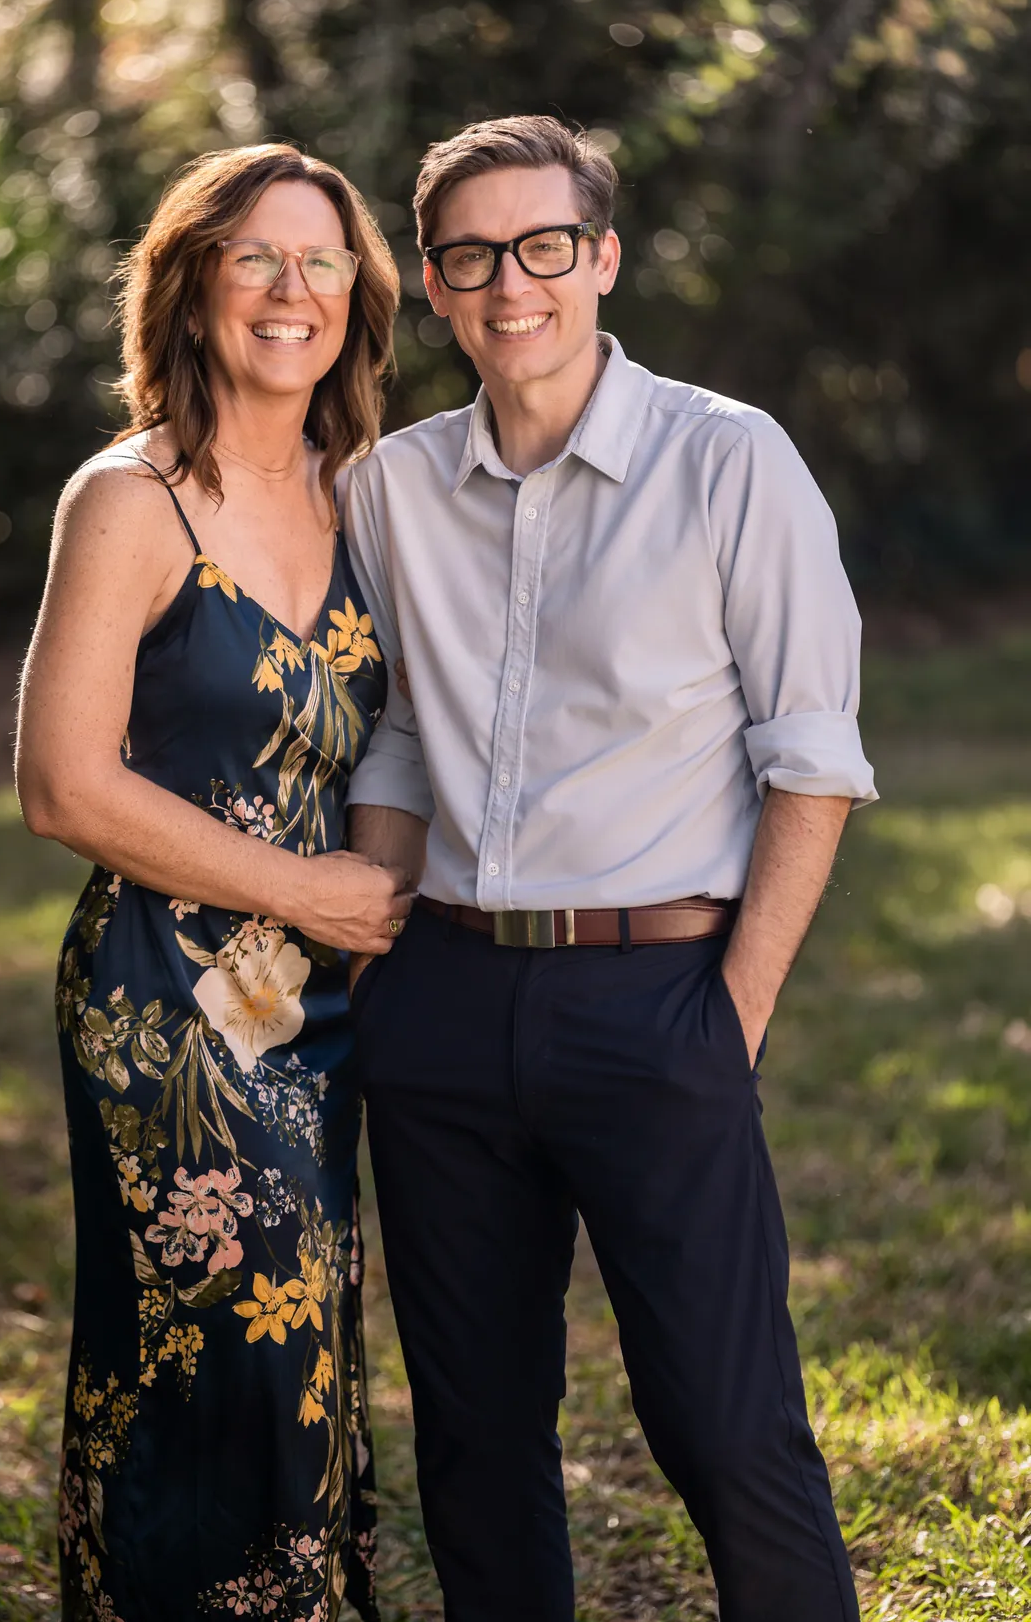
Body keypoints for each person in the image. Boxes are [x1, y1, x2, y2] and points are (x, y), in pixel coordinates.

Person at [344, 114, 876, 1622]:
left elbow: (813, 758)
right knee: (475, 1436)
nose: (512, 284)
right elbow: (393, 734)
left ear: (602, 258)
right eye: (471, 256)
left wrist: (733, 1016)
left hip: (660, 998)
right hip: (440, 1004)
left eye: (544, 246)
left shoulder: (729, 460)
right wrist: (378, 940)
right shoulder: (389, 490)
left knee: (723, 1424)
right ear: (436, 288)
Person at [15, 143, 412, 1622]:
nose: (289, 290)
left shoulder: (366, 493)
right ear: (191, 285)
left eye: (320, 262)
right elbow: (63, 783)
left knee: (306, 1336)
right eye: (255, 257)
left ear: (358, 299)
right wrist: (309, 894)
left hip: (326, 1002)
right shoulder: (132, 498)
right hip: (163, 999)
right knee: (233, 1339)